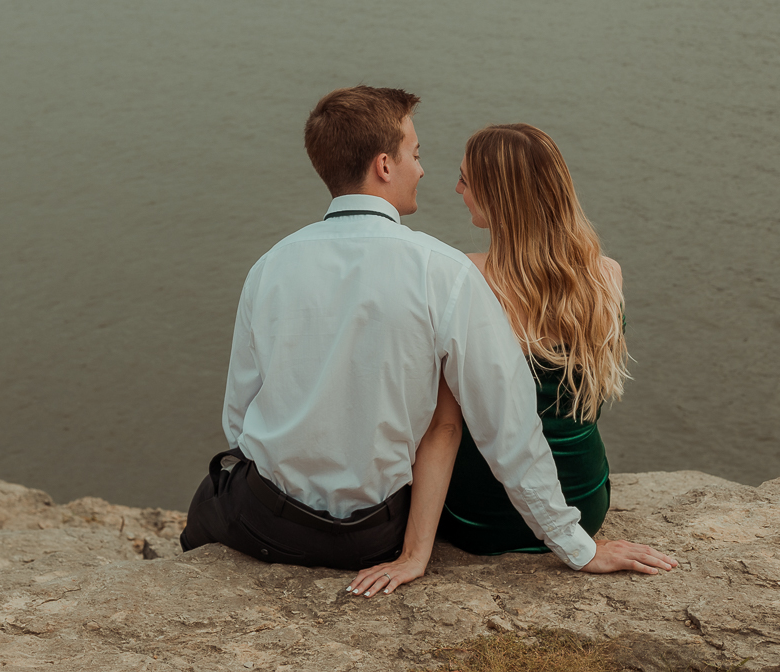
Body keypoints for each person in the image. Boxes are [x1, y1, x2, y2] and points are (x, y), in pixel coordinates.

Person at [181, 86, 676, 581]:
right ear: (384, 166)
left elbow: (239, 415)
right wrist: (575, 545)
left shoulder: (270, 266)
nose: (423, 171)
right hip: (374, 534)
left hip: (266, 522)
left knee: (203, 511)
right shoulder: (444, 271)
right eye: (415, 155)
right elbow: (508, 427)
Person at [349, 122, 652, 598]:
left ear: (499, 197)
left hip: (483, 515)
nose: (457, 190)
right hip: (583, 504)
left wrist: (414, 555)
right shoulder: (605, 276)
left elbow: (444, 428)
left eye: (465, 180)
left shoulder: (466, 276)